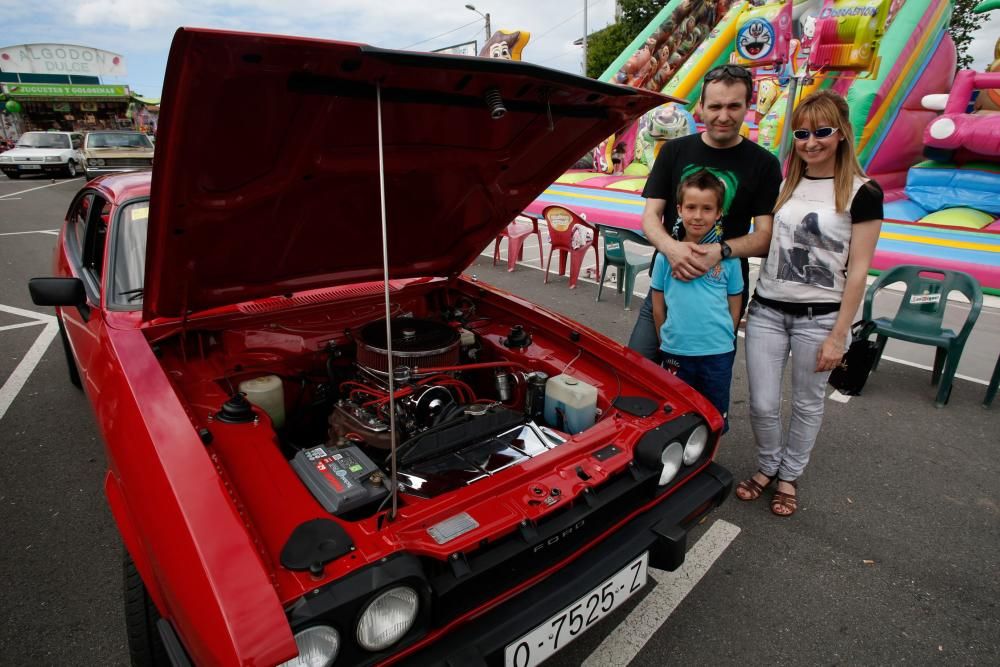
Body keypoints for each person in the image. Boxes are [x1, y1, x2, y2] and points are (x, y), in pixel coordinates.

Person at [736, 89, 883, 517]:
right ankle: (767, 465)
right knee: (762, 402)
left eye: (822, 131)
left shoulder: (863, 192)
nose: (811, 141)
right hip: (767, 311)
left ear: (842, 135)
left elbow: (858, 271)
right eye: (802, 132)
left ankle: (787, 476)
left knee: (806, 402)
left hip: (820, 319)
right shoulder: (786, 185)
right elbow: (771, 246)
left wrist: (841, 336)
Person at [628, 64, 782, 362]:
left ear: (748, 106)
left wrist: (719, 251)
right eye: (715, 106)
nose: (723, 116)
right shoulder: (674, 152)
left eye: (733, 106)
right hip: (668, 283)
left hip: (720, 293)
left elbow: (765, 237)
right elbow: (650, 217)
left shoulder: (764, 164)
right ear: (701, 106)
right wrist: (672, 249)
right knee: (639, 371)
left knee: (706, 383)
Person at [651, 170, 743, 431]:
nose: (698, 216)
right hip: (676, 350)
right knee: (676, 415)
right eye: (691, 207)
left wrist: (726, 335)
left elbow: (734, 302)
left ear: (718, 213)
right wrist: (665, 338)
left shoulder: (730, 260)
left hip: (717, 353)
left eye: (707, 208)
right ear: (679, 209)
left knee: (713, 416)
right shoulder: (664, 258)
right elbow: (658, 306)